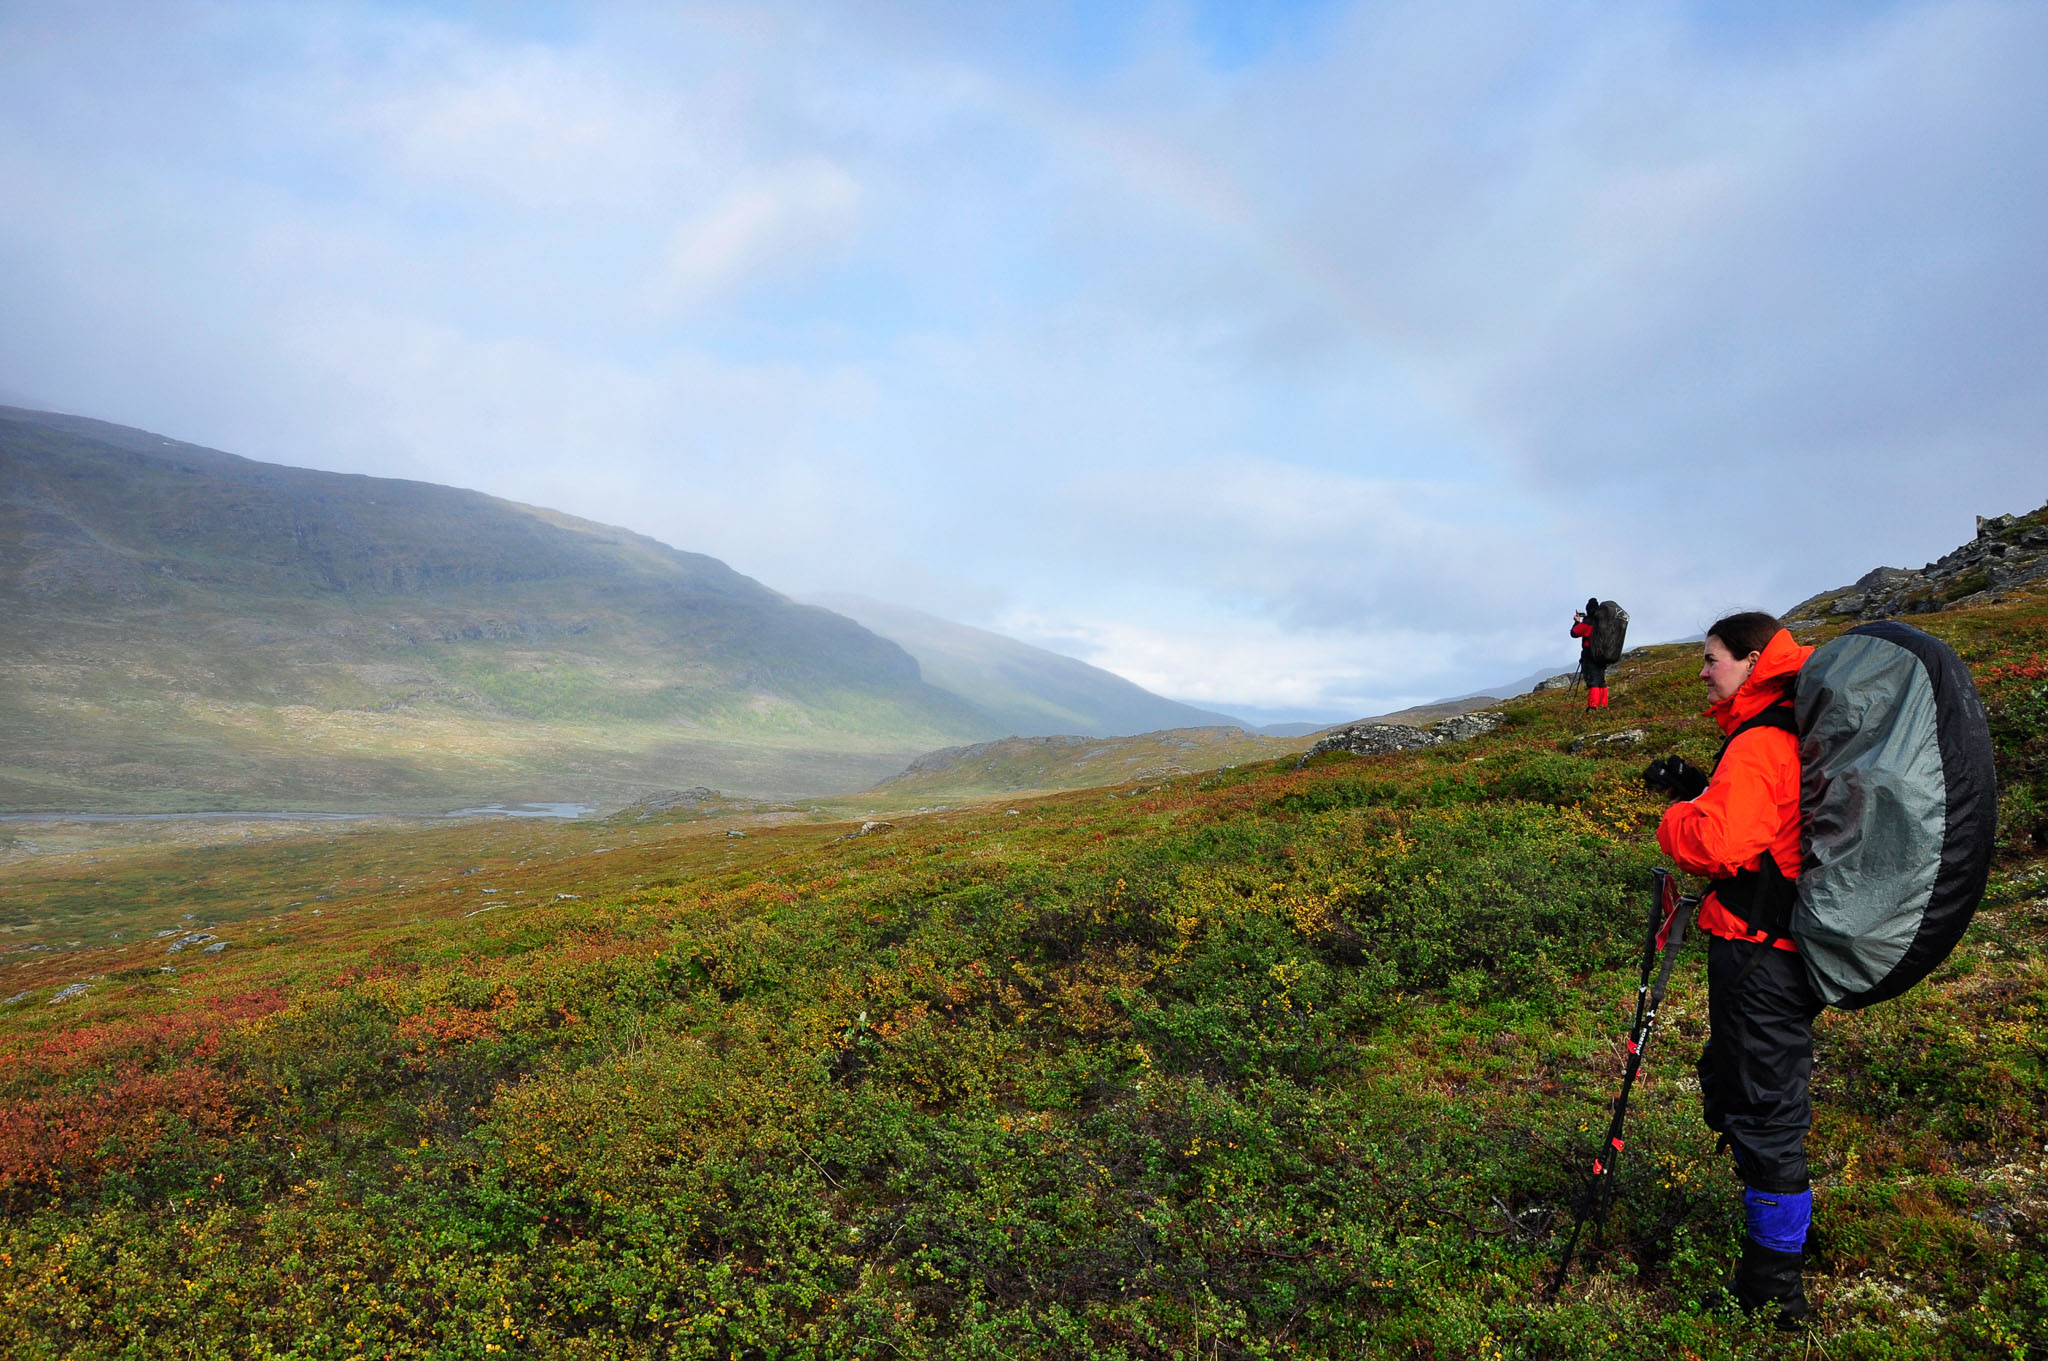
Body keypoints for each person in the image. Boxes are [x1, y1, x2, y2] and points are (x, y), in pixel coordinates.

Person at [1646, 610, 1818, 1328]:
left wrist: (1675, 815)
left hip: (1759, 955)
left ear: (1751, 660)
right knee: (1744, 1087)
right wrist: (1696, 781)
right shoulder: (1784, 726)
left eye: (1712, 657)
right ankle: (1781, 1224)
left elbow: (1717, 845)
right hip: (1775, 946)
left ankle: (1774, 1291)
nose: (1703, 670)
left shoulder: (1762, 742)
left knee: (1766, 1111)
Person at [1572, 599, 1608, 708]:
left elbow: (1575, 633)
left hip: (1590, 655)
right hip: (1603, 655)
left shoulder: (1588, 623)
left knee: (1593, 681)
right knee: (1601, 680)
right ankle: (1603, 705)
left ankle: (1593, 706)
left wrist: (1577, 621)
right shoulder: (1603, 621)